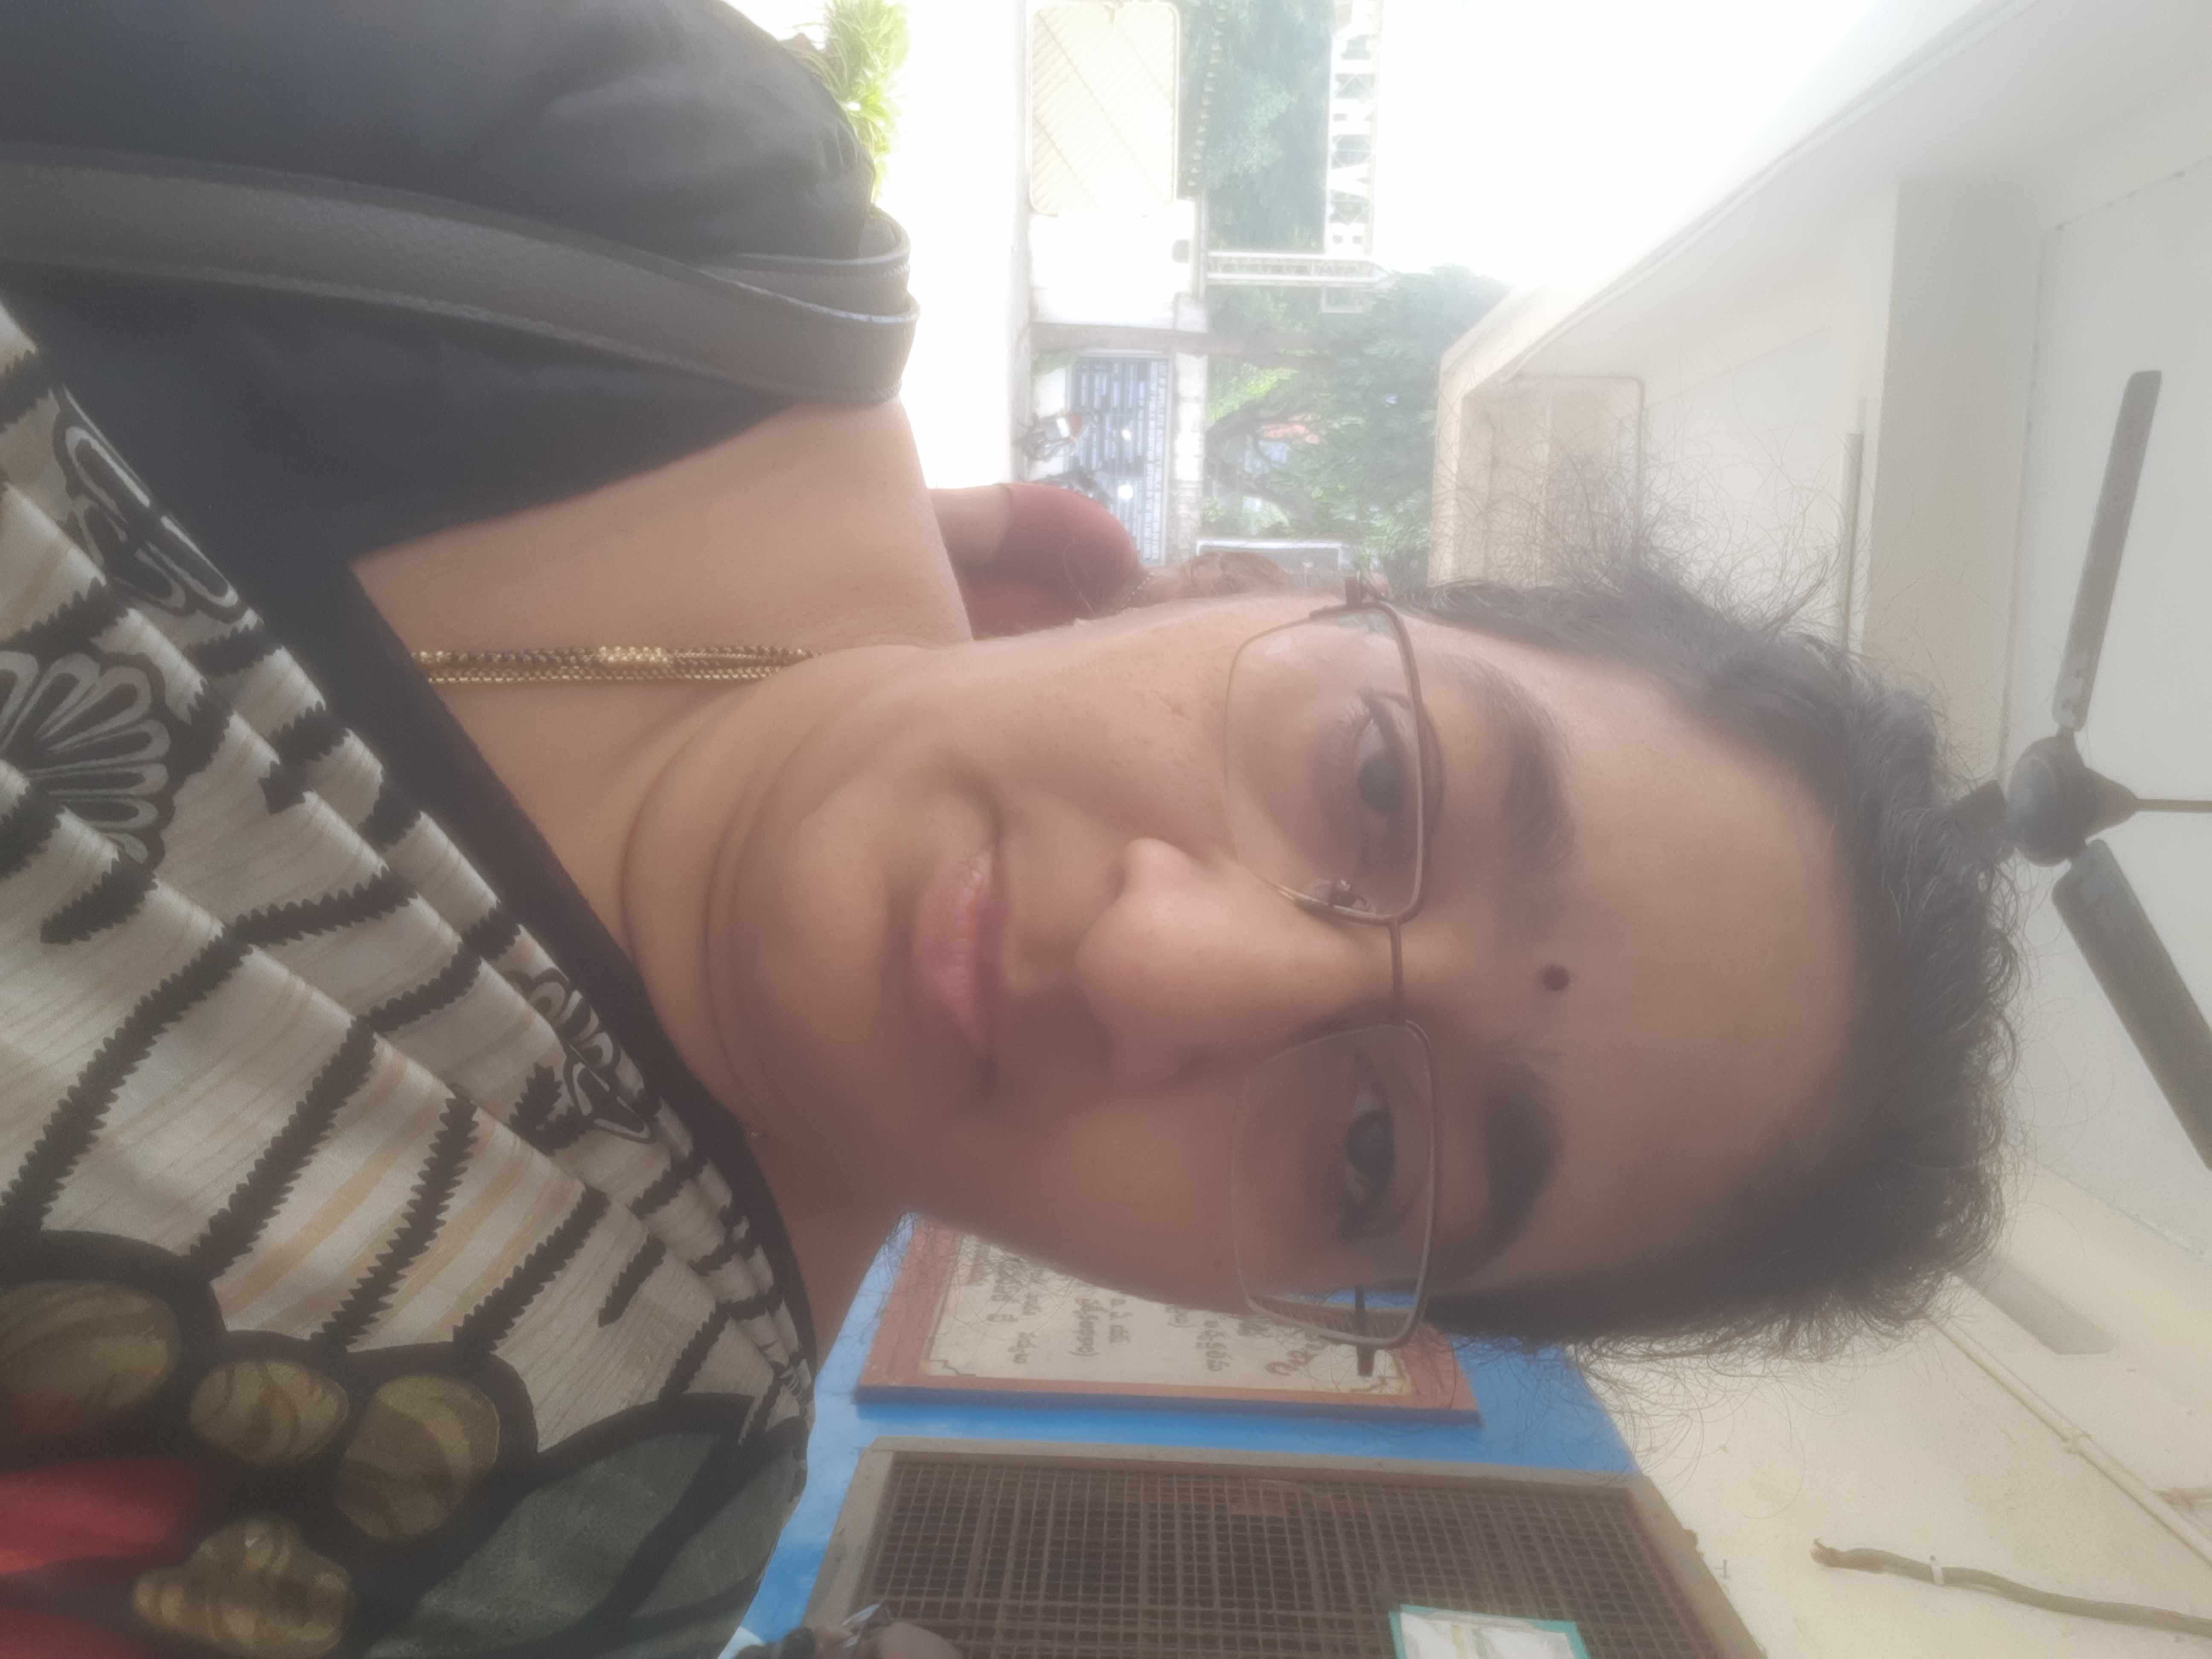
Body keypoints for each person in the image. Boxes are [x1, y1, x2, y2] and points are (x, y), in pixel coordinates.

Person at [0, 3, 2014, 1656]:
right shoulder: (644, 216)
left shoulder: (547, 1536)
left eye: (1373, 1155)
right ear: (1227, 583)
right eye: (1382, 778)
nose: (1158, 961)